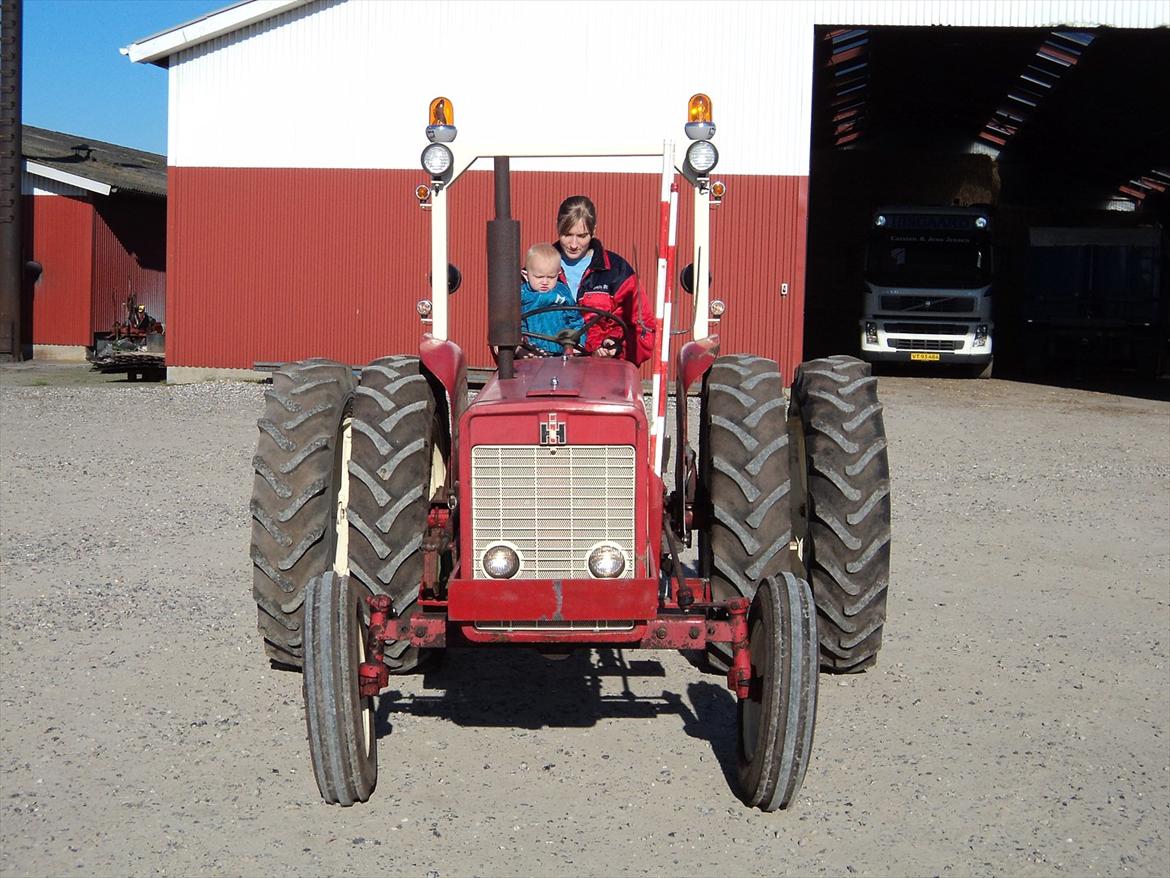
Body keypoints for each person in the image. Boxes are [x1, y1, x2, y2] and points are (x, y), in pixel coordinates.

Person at [553, 195, 656, 365]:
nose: (573, 244)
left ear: (594, 231)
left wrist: (617, 347)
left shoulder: (616, 271)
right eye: (567, 234)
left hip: (602, 367)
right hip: (549, 362)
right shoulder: (538, 266)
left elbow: (643, 327)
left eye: (582, 236)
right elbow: (515, 318)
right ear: (558, 228)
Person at [520, 243, 581, 354]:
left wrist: (578, 343)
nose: (545, 282)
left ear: (558, 274)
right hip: (533, 352)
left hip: (561, 352)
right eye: (539, 277)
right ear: (526, 275)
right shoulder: (522, 295)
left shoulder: (562, 293)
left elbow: (575, 319)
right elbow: (516, 323)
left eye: (551, 277)